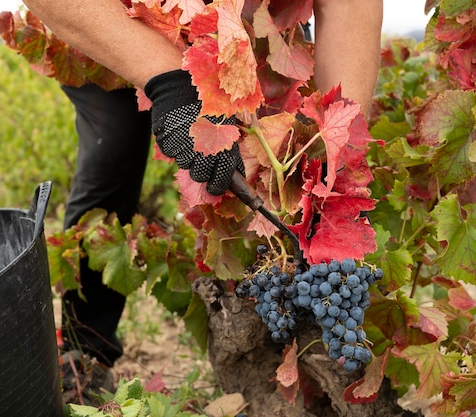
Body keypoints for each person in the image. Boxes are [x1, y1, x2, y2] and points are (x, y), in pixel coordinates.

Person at [20, 0, 383, 401]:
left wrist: (337, 158)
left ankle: (276, 348)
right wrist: (168, 78)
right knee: (112, 160)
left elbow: (352, 7)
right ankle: (84, 349)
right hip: (108, 15)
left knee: (281, 161)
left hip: (244, 36)